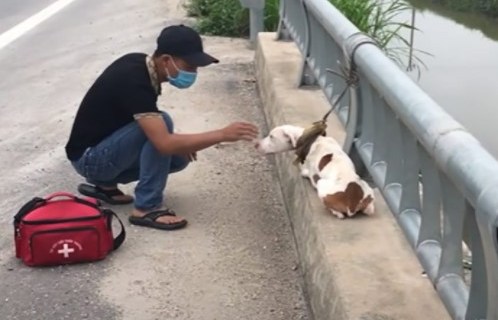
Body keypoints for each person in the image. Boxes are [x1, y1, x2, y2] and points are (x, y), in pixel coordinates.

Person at [64, 24, 259, 231]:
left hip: (96, 152)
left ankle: (106, 186)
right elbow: (163, 143)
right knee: (164, 125)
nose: (193, 73)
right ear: (166, 60)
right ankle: (147, 207)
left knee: (178, 158)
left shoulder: (141, 65)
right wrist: (222, 134)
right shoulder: (134, 79)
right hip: (90, 159)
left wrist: (181, 144)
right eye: (190, 66)